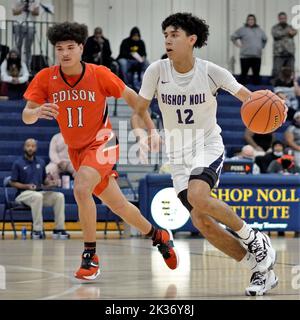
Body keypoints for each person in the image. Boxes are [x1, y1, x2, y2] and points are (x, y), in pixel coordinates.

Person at [132, 13, 288, 296]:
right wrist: (146, 134)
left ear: (191, 40)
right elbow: (138, 112)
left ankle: (253, 237)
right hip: (177, 154)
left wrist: (276, 106)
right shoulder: (156, 71)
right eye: (166, 34)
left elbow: (250, 99)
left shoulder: (211, 71)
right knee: (201, 221)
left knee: (198, 195)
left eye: (175, 34)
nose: (168, 39)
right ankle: (259, 269)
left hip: (206, 145)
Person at [22, 22, 178, 281]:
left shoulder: (99, 73)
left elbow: (135, 101)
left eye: (71, 47)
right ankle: (158, 236)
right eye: (59, 48)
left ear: (82, 48)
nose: (65, 53)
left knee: (81, 187)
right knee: (119, 206)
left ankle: (90, 256)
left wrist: (151, 129)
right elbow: (26, 115)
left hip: (102, 142)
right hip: (76, 151)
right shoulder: (46, 77)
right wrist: (36, 112)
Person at [10, 138, 70, 240]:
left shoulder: (41, 162)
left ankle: (59, 229)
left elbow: (44, 180)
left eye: (32, 146)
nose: (30, 148)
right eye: (28, 146)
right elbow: (12, 182)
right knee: (37, 196)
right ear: (24, 147)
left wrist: (51, 183)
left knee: (59, 196)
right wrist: (26, 186)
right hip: (22, 194)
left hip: (38, 194)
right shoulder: (18, 163)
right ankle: (37, 230)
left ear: (36, 148)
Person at [231, 14, 267, 85]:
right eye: (249, 19)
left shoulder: (260, 30)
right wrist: (237, 44)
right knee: (243, 75)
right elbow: (233, 37)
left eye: (252, 19)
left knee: (256, 75)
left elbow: (265, 39)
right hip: (245, 56)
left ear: (255, 21)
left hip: (257, 56)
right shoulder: (242, 30)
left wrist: (260, 47)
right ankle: (241, 93)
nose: (251, 21)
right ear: (247, 21)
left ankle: (257, 93)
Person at [117, 26, 149, 91]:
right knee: (123, 63)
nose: (136, 37)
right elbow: (122, 53)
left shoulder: (141, 42)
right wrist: (131, 55)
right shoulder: (125, 41)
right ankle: (126, 83)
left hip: (137, 60)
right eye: (134, 35)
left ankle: (147, 83)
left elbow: (144, 53)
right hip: (127, 59)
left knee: (146, 62)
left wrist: (143, 57)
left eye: (137, 35)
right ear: (131, 35)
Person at [12, 0, 40, 70]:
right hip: (18, 24)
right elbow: (14, 12)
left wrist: (30, 8)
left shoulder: (35, 0)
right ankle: (17, 66)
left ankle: (27, 67)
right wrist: (23, 7)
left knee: (28, 48)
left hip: (30, 25)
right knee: (18, 46)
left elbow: (36, 13)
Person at [271, 12, 297, 80]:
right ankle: (276, 86)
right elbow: (276, 34)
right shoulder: (275, 27)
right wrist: (287, 32)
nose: (283, 20)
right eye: (281, 18)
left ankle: (290, 86)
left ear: (286, 18)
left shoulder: (290, 27)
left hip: (289, 53)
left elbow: (295, 32)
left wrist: (290, 32)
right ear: (278, 19)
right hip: (279, 53)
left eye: (284, 18)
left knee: (290, 71)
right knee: (276, 71)